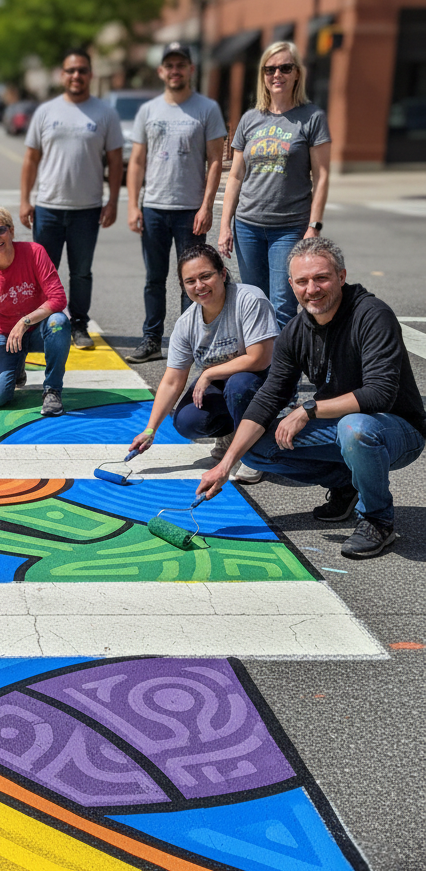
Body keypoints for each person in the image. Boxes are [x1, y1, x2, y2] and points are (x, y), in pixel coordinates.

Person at [198, 238, 426, 559]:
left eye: (321, 278)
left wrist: (308, 409)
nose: (312, 289)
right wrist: (225, 464)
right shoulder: (296, 330)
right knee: (255, 448)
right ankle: (348, 482)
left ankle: (377, 519)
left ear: (341, 276)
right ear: (291, 285)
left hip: (397, 429)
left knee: (354, 429)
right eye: (302, 281)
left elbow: (380, 393)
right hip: (341, 424)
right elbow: (269, 397)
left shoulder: (372, 315)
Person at [128, 244, 277, 484]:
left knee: (239, 386)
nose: (199, 286)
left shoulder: (249, 299)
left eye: (206, 276)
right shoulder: (187, 324)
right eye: (190, 281)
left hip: (264, 379)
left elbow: (260, 358)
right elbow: (172, 380)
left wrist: (209, 374)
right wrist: (150, 430)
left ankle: (255, 453)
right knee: (187, 420)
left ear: (223, 274)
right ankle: (233, 433)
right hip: (225, 382)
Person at [218, 41, 331, 331]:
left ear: (297, 73)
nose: (276, 74)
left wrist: (314, 225)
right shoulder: (250, 119)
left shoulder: (312, 117)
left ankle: (281, 374)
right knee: (255, 301)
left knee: (283, 303)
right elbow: (236, 176)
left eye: (284, 67)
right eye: (270, 69)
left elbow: (322, 175)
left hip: (290, 226)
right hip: (247, 226)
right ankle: (260, 368)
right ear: (262, 75)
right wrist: (225, 225)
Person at [125, 42, 227, 364]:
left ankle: (189, 342)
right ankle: (152, 339)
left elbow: (215, 160)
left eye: (180, 64)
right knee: (154, 279)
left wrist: (207, 205)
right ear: (161, 71)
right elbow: (137, 161)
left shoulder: (207, 109)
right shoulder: (149, 110)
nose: (174, 70)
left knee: (192, 282)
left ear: (191, 69)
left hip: (189, 210)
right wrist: (132, 205)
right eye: (169, 65)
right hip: (154, 207)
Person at [20, 49, 123, 350]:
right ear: (62, 75)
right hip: (48, 207)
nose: (76, 75)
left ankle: (79, 324)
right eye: (70, 70)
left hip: (86, 209)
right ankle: (41, 325)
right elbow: (30, 158)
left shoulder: (105, 113)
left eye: (81, 70)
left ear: (90, 74)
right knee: (43, 272)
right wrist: (26, 200)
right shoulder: (46, 112)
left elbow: (115, 161)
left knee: (81, 272)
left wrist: (113, 200)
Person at [0, 207, 71, 417]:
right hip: (4, 336)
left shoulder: (34, 252)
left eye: (0, 230)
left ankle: (52, 390)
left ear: (11, 231)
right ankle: (17, 364)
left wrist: (25, 321)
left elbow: (58, 299)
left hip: (40, 329)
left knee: (59, 322)